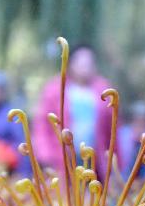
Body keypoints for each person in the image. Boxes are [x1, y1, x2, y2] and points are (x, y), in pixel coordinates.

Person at [33, 45, 114, 179]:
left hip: (95, 158)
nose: (85, 67)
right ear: (70, 63)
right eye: (80, 63)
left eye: (89, 63)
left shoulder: (104, 89)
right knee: (65, 196)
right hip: (61, 157)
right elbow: (42, 124)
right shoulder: (55, 88)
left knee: (92, 196)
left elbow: (112, 128)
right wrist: (44, 155)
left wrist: (114, 161)